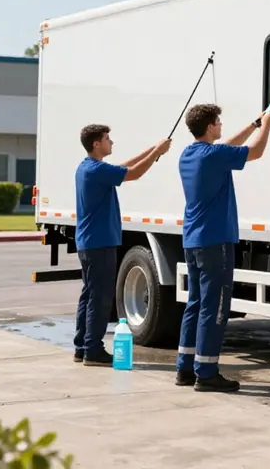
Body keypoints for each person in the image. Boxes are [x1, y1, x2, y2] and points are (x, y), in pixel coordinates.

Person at [175, 103, 270, 392]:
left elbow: (225, 146)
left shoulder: (190, 154)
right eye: (218, 123)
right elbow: (254, 152)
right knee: (215, 308)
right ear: (209, 126)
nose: (221, 126)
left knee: (195, 304)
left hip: (193, 240)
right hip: (215, 241)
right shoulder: (214, 155)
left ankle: (185, 368)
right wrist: (268, 126)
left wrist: (253, 125)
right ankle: (206, 373)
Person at [74, 125, 172, 366]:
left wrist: (153, 150)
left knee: (89, 295)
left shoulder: (87, 168)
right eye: (107, 139)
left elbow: (122, 168)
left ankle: (82, 346)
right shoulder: (96, 170)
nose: (111, 142)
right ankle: (93, 350)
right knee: (99, 298)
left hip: (89, 242)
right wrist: (156, 152)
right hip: (99, 243)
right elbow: (134, 173)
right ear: (96, 144)